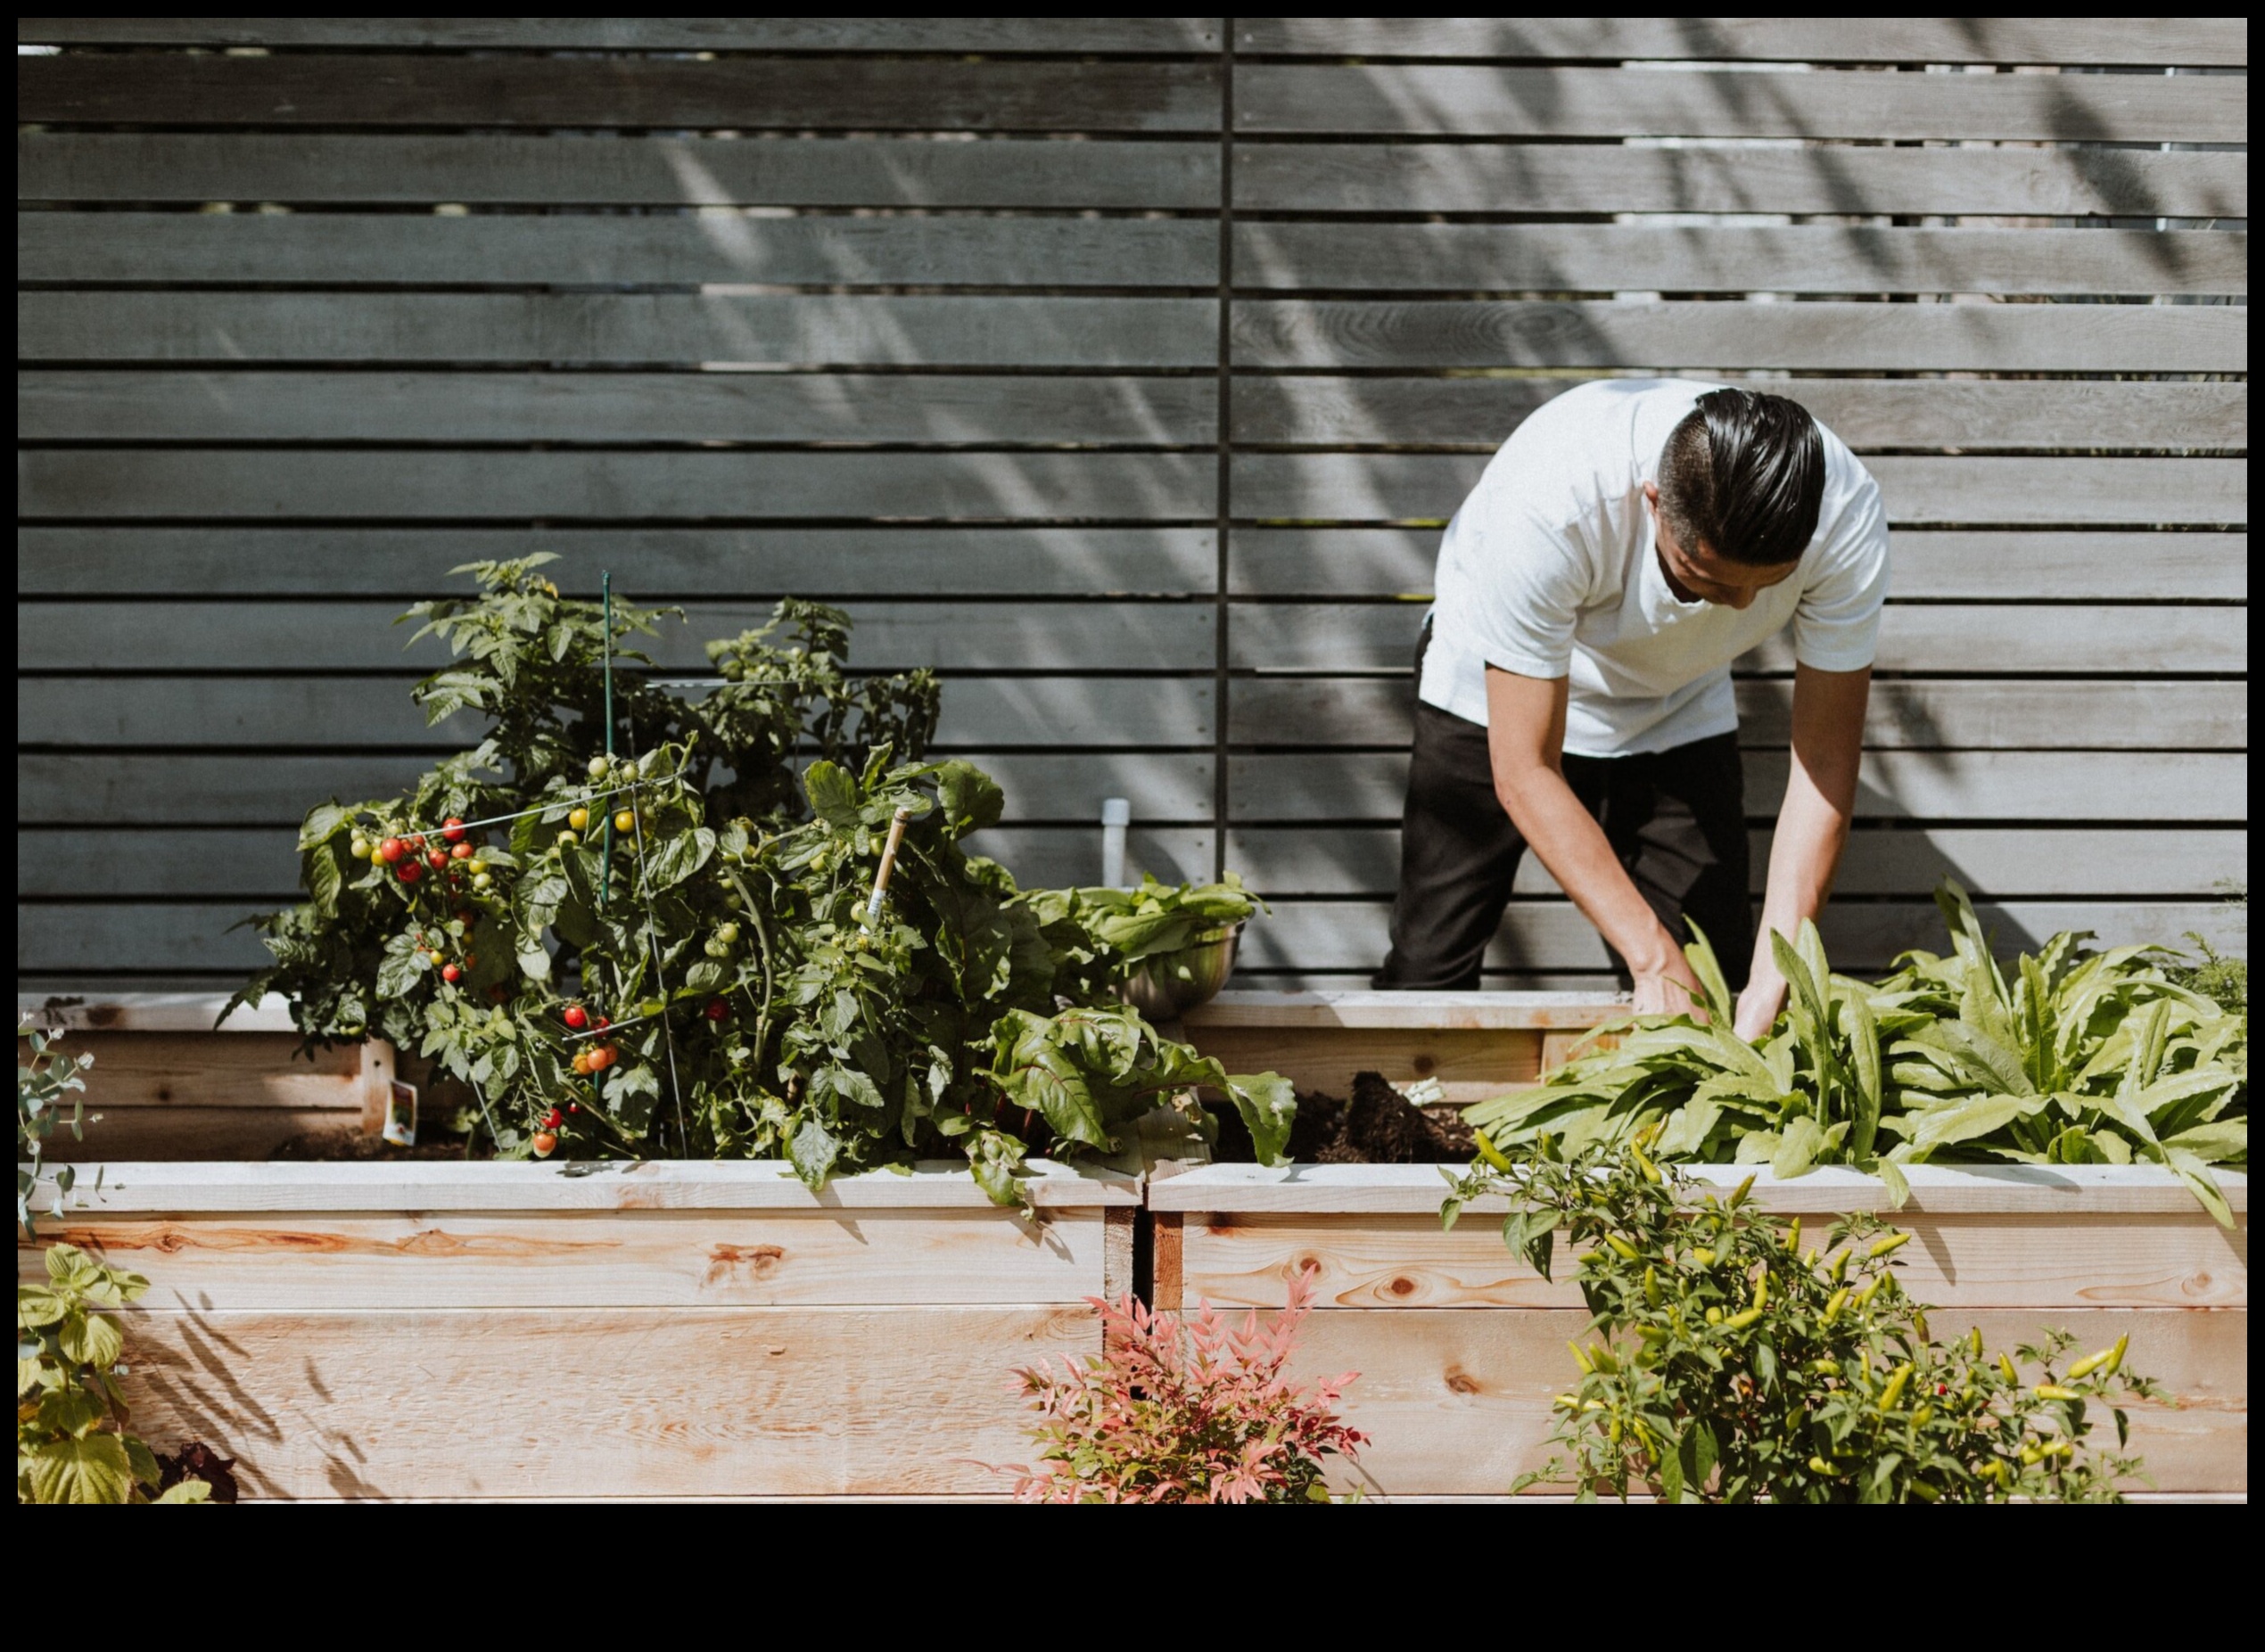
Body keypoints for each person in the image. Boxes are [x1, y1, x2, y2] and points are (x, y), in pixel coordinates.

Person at [1373, 381, 1888, 1039]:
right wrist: (1650, 956)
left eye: (1768, 585)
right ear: (1654, 503)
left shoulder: (1844, 515)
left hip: (1676, 700)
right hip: (1491, 692)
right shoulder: (1552, 500)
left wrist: (1774, 975)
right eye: (1703, 579)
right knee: (1428, 972)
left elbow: (1822, 761)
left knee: (1712, 981)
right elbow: (1525, 769)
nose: (1738, 607)